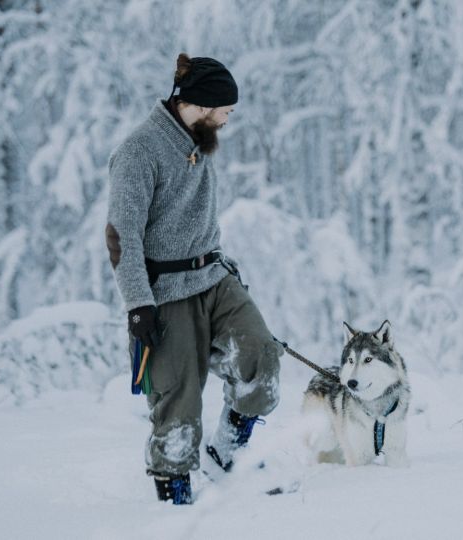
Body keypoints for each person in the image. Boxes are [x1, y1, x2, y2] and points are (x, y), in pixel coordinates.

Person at [105, 53, 281, 505]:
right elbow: (122, 237)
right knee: (177, 405)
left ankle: (226, 451)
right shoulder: (139, 152)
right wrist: (138, 304)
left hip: (215, 279)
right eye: (226, 111)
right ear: (202, 105)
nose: (227, 121)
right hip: (164, 293)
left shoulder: (197, 140)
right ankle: (175, 503)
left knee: (261, 355)